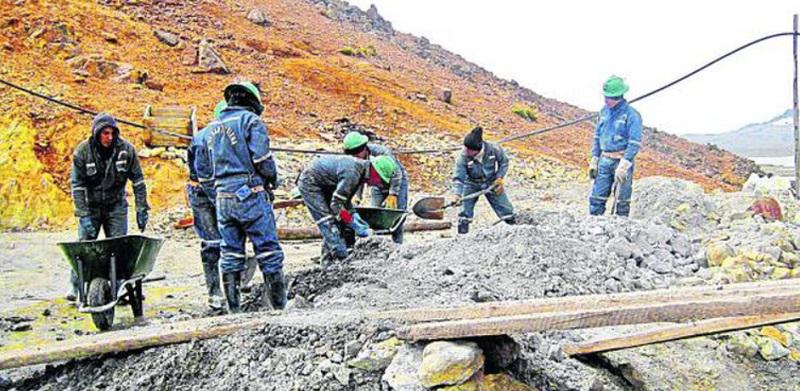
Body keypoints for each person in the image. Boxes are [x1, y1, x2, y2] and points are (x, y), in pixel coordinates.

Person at [194, 81, 285, 313]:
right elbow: (262, 160)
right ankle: (279, 308)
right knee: (268, 251)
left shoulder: (211, 129)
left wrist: (218, 196)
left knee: (230, 253)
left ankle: (234, 311)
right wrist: (272, 179)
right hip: (251, 195)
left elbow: (203, 171)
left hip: (223, 199)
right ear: (252, 102)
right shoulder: (251, 121)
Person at [68, 112, 149, 300]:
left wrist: (141, 208)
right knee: (84, 246)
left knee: (119, 245)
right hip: (92, 206)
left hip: (115, 206)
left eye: (112, 133)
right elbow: (77, 185)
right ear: (96, 134)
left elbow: (138, 180)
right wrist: (83, 214)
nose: (109, 138)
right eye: (105, 133)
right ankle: (75, 285)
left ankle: (121, 288)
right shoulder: (82, 152)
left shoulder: (126, 150)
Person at [298, 155, 397, 262]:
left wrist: (354, 216)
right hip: (311, 183)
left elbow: (345, 201)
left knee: (339, 222)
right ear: (375, 171)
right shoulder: (353, 173)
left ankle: (327, 261)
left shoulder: (360, 172)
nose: (378, 184)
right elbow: (336, 206)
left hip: (326, 184)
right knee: (328, 222)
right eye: (380, 180)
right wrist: (353, 222)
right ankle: (342, 259)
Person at [185, 101, 227, 310]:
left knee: (230, 239)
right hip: (202, 194)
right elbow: (205, 178)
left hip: (220, 190)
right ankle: (214, 292)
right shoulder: (203, 140)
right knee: (211, 242)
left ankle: (231, 286)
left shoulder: (228, 137)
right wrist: (222, 203)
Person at [588, 75, 643, 217]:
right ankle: (593, 225)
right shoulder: (604, 112)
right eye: (605, 97)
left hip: (621, 160)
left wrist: (624, 165)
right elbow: (597, 136)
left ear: (619, 96)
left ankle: (620, 230)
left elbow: (634, 142)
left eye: (609, 98)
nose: (606, 100)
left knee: (622, 201)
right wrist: (594, 158)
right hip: (604, 160)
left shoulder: (632, 115)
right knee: (597, 198)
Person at [342, 131, 409, 244]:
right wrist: (357, 196)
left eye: (357, 155)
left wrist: (393, 193)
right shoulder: (354, 160)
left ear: (364, 149)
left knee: (396, 214)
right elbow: (358, 177)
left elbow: (396, 173)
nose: (355, 158)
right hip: (376, 185)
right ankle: (376, 242)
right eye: (352, 155)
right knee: (376, 214)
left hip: (396, 182)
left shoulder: (383, 153)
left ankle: (398, 242)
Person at [451, 126, 515, 234]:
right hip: (471, 183)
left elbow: (504, 162)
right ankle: (462, 237)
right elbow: (458, 177)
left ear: (477, 149)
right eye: (466, 148)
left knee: (506, 210)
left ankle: (515, 229)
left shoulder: (493, 149)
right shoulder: (463, 157)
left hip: (492, 182)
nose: (466, 151)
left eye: (469, 150)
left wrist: (499, 177)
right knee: (464, 212)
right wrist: (457, 194)